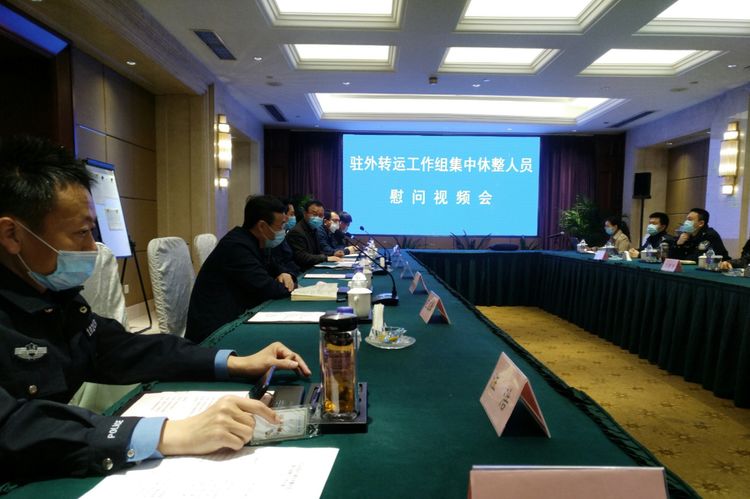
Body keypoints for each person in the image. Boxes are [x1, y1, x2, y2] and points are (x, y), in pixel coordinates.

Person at [0, 136, 311, 482]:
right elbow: (12, 427)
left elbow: (120, 349)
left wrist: (235, 362)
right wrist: (167, 434)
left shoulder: (53, 295)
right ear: (12, 235)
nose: (93, 247)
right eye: (82, 233)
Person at [186, 195, 298, 343]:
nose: (283, 230)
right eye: (281, 225)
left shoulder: (257, 242)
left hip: (235, 317)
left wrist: (286, 274)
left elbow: (279, 268)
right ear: (262, 226)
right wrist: (286, 283)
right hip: (215, 333)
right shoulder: (236, 247)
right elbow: (268, 289)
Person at [286, 199, 340, 270]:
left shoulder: (314, 229)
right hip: (302, 270)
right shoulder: (297, 232)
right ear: (305, 213)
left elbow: (318, 251)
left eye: (321, 215)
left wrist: (332, 254)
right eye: (314, 214)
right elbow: (302, 257)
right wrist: (326, 258)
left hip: (314, 267)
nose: (318, 218)